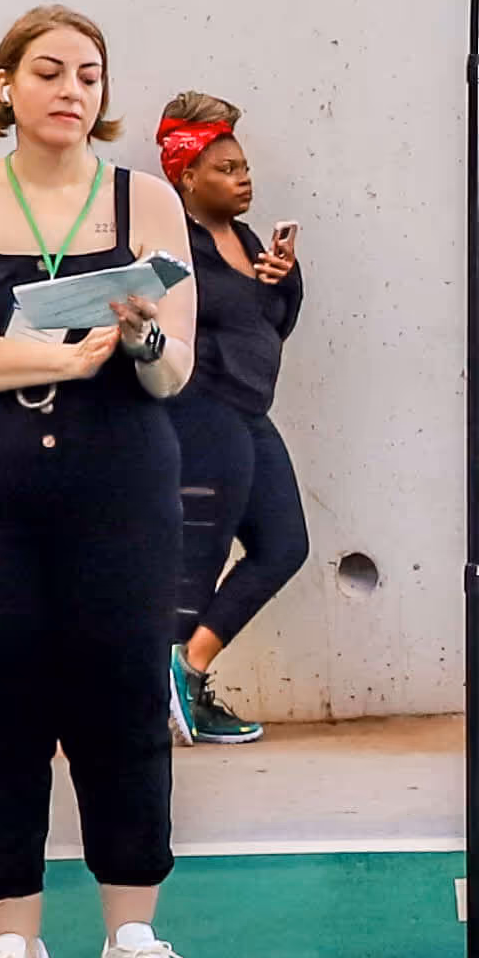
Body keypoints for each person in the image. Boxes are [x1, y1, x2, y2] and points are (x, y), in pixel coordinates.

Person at [0, 5, 204, 958]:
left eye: (90, 74)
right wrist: (57, 359)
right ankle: (9, 951)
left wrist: (145, 338)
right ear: (5, 87)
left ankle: (133, 942)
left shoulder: (148, 201)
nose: (71, 89)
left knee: (122, 702)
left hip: (116, 481)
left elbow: (174, 374)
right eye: (49, 70)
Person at [150, 93, 309, 747]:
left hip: (250, 413)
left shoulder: (244, 240)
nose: (244, 178)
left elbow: (271, 328)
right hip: (201, 412)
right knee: (198, 558)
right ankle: (158, 685)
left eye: (244, 167)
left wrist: (284, 282)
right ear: (188, 177)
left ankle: (185, 668)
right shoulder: (171, 249)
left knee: (284, 546)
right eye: (226, 169)